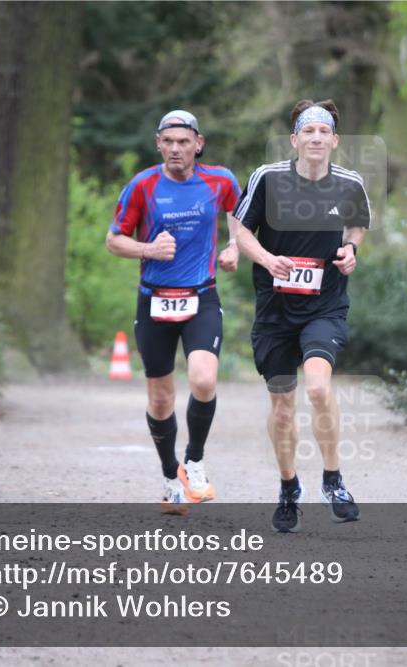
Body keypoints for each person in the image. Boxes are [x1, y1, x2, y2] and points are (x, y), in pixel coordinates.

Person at [232, 99, 370, 532]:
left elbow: (357, 225)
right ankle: (289, 487)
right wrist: (267, 259)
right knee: (282, 409)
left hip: (324, 306)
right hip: (274, 311)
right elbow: (239, 228)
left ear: (334, 141)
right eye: (307, 132)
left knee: (317, 389)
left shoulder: (350, 183)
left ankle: (333, 479)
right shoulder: (267, 178)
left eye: (322, 132)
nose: (315, 138)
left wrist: (351, 251)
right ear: (295, 140)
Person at [106, 110, 241, 514]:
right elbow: (114, 241)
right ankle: (171, 479)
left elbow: (240, 215)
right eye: (169, 142)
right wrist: (148, 249)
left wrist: (233, 246)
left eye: (184, 141)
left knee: (203, 379)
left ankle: (194, 462)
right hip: (154, 299)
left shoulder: (221, 180)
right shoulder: (142, 186)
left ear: (198, 144)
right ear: (159, 144)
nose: (176, 149)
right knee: (161, 398)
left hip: (201, 295)